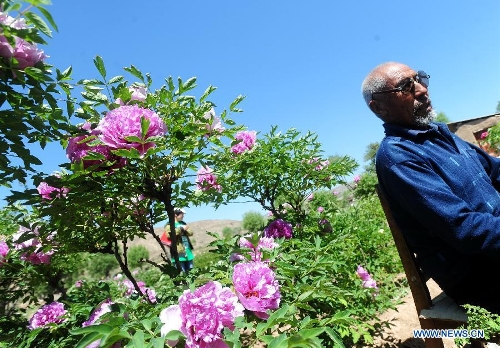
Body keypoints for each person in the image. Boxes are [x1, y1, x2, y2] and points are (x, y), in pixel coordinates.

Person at [362, 61, 500, 314]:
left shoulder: (438, 134)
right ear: (379, 106)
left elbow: (495, 170)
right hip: (481, 273)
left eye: (420, 79)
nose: (422, 89)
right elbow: (465, 230)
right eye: (405, 86)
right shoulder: (399, 156)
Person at [170, 208, 194, 273]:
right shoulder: (170, 225)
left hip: (187, 252)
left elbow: (190, 232)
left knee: (191, 273)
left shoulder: (183, 223)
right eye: (181, 214)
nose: (183, 216)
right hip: (179, 254)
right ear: (175, 215)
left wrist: (183, 230)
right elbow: (170, 234)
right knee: (181, 274)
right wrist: (182, 229)